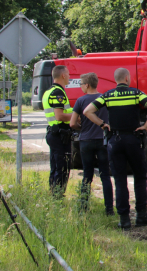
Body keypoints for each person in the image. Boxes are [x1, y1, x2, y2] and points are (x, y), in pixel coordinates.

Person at [84, 68, 147, 230]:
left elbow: (87, 111)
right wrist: (146, 126)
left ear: (116, 79)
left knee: (120, 180)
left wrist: (102, 124)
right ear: (127, 78)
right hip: (133, 139)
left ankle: (124, 219)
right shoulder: (136, 93)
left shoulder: (107, 95)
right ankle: (141, 215)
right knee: (140, 177)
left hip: (115, 140)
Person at [70, 72, 114, 215]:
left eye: (81, 84)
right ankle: (109, 209)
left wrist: (82, 128)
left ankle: (83, 207)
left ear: (87, 85)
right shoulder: (104, 99)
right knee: (105, 175)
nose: (81, 87)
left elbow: (72, 123)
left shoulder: (80, 101)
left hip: (86, 140)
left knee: (87, 175)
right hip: (102, 140)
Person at [42, 65, 73, 197]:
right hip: (60, 135)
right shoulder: (58, 93)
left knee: (55, 167)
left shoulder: (49, 91)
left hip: (54, 133)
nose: (70, 77)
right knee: (62, 168)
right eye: (68, 74)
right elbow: (59, 116)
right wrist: (77, 116)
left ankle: (53, 194)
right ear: (63, 75)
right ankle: (57, 196)